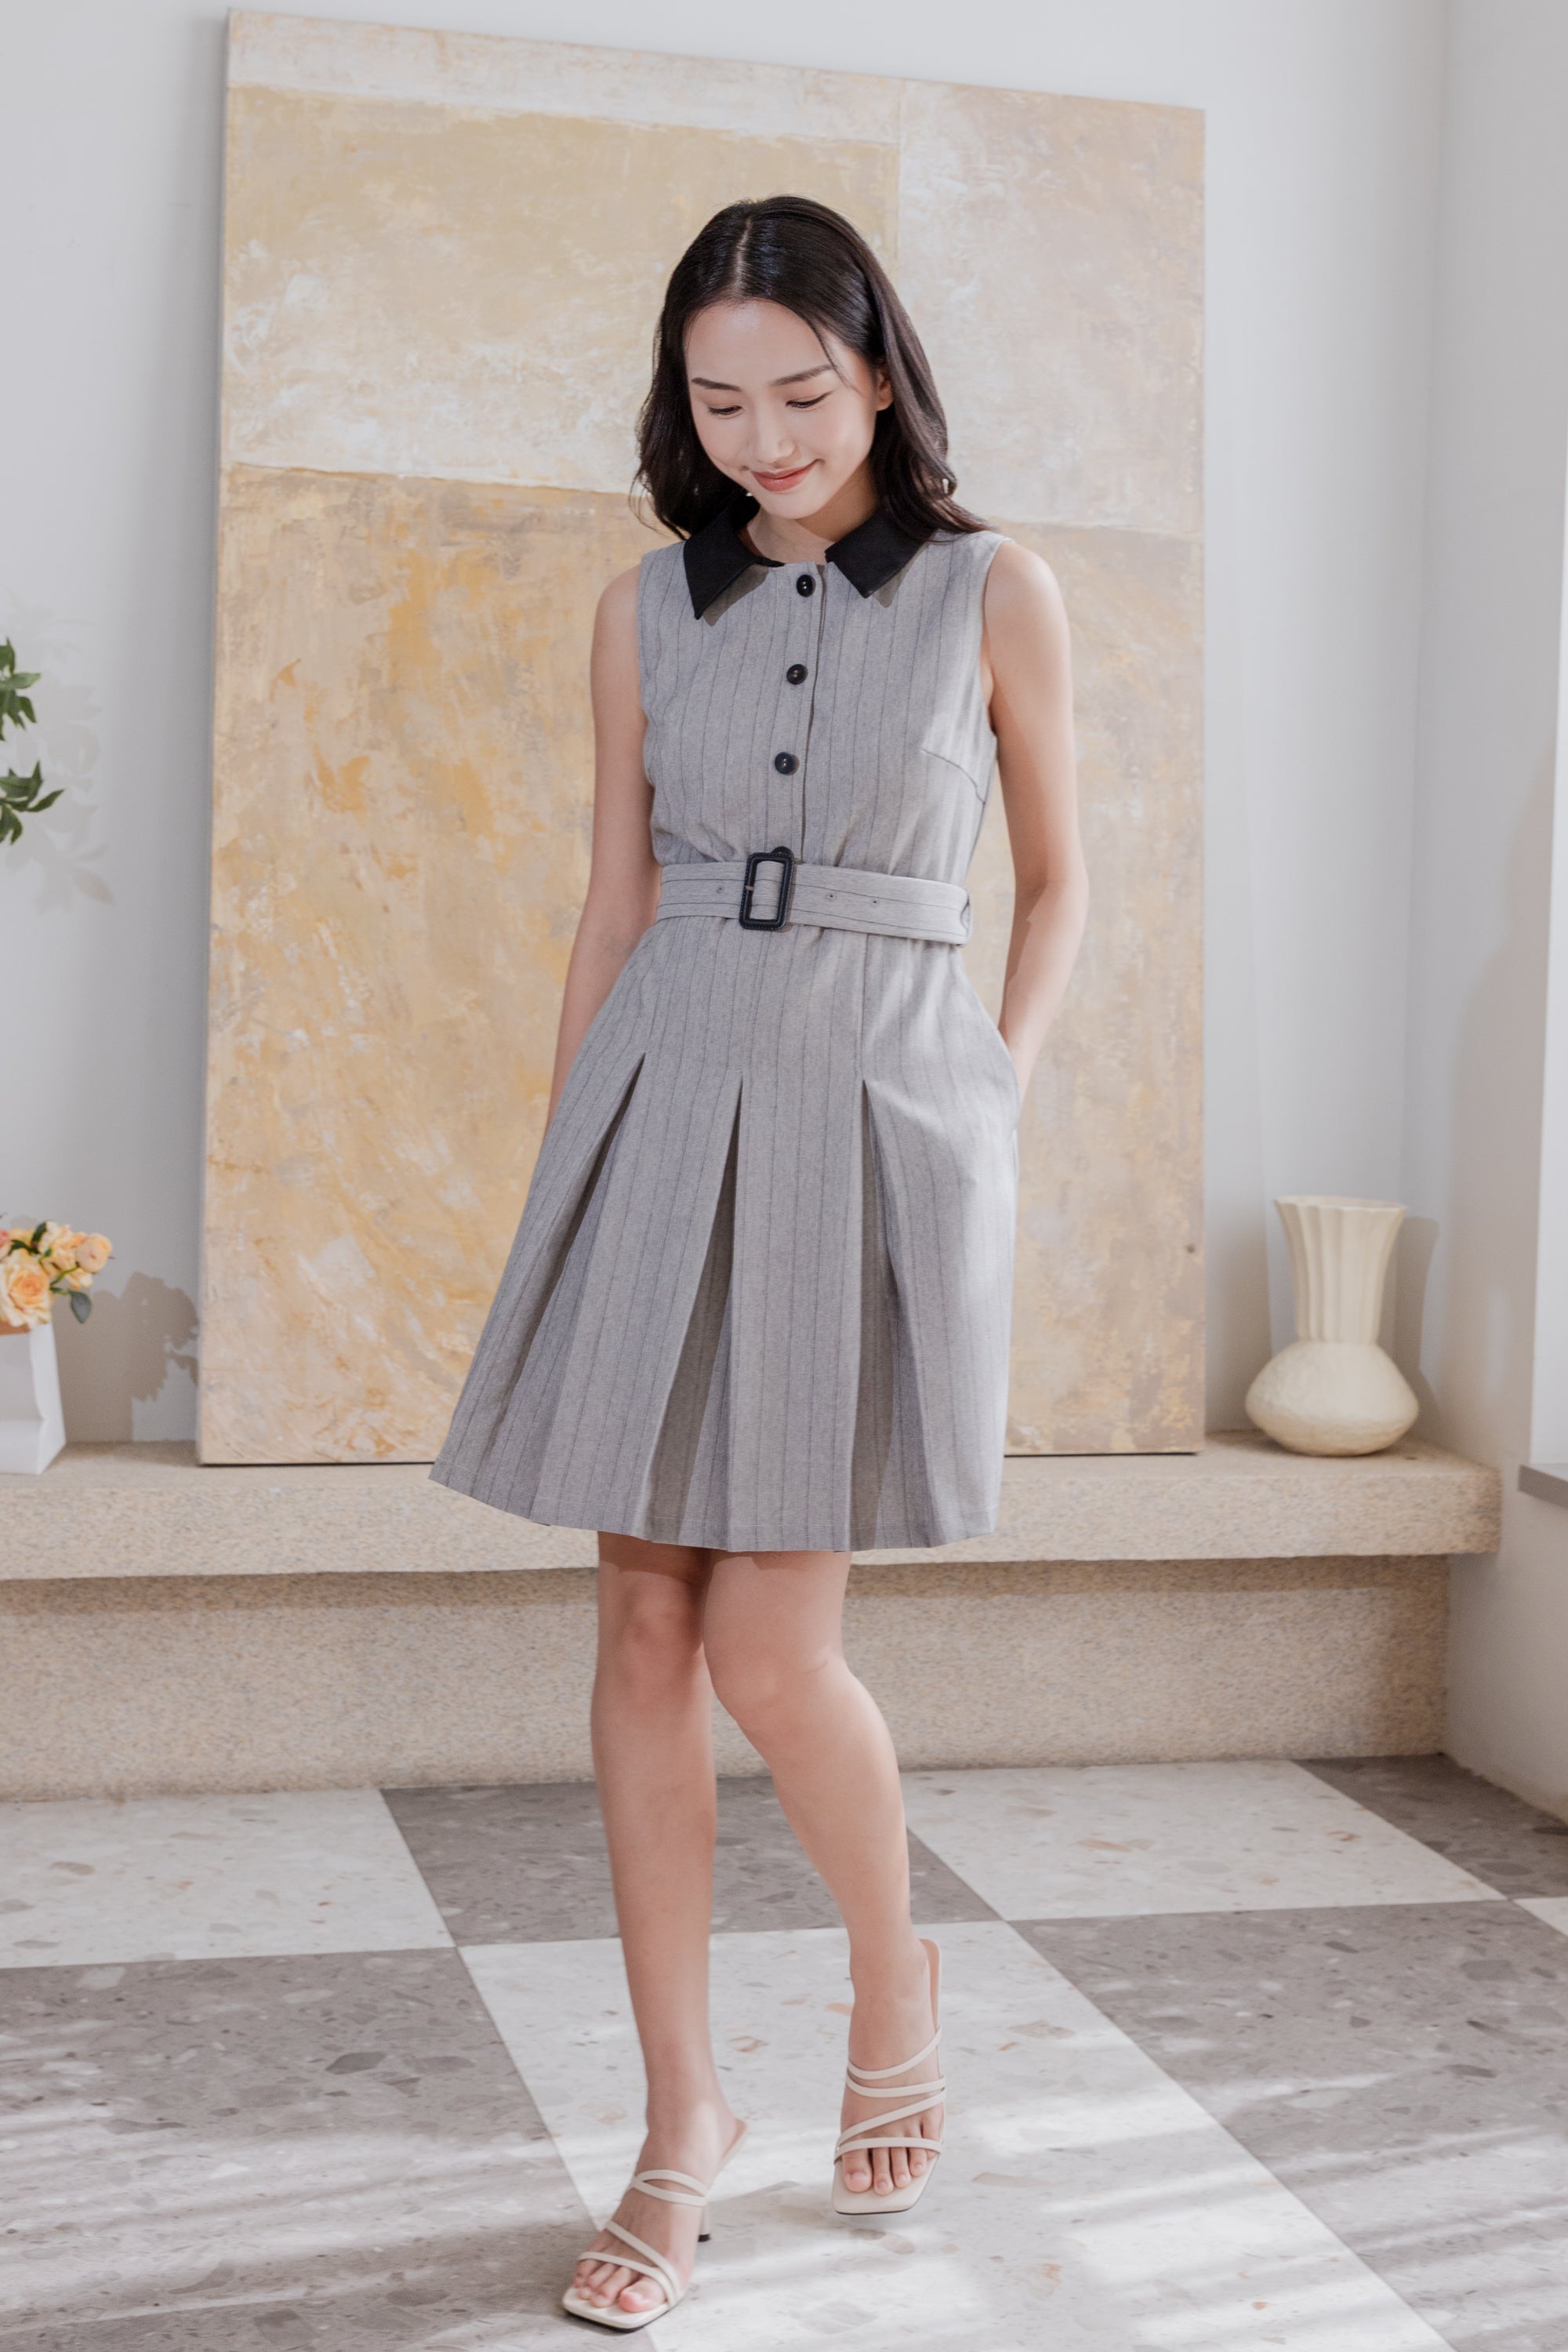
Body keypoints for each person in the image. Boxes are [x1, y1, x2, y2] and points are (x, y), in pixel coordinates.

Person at [430, 194, 1087, 2331]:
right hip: (663, 1086)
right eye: (721, 405)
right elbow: (613, 902)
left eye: (801, 392)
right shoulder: (644, 607)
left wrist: (990, 1095)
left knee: (773, 1653)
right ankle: (679, 2120)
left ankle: (893, 1982)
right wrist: (570, 1165)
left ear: (878, 371)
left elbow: (1060, 885)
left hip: (878, 1110)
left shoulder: (992, 591)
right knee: (640, 1632)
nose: (767, 440)